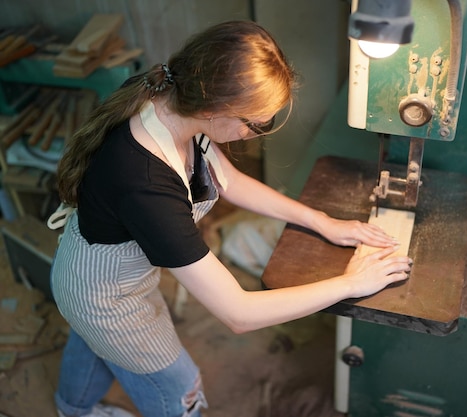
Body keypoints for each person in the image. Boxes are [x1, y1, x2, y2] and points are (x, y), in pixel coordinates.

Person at [50, 20, 412, 417]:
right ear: (213, 109)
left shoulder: (172, 99)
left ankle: (72, 408)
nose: (255, 134)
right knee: (177, 388)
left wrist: (321, 220)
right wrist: (351, 283)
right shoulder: (148, 184)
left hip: (88, 269)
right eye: (255, 123)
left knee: (88, 342)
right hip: (105, 297)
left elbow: (229, 181)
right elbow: (238, 313)